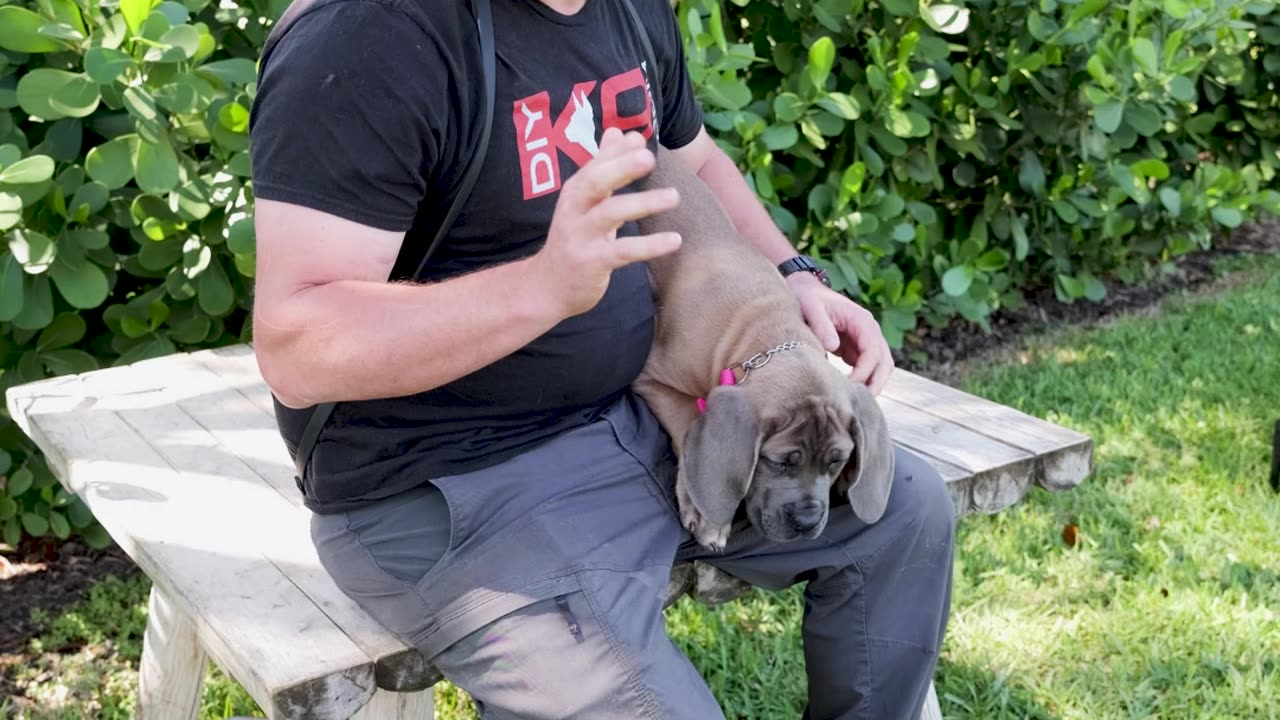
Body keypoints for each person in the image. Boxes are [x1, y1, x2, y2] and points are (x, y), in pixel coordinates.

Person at [247, 0, 956, 717]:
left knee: (906, 514)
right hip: (456, 485)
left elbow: (691, 161)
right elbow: (297, 343)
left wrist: (793, 273)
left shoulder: (628, 8)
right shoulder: (374, 32)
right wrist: (540, 288)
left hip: (637, 418)